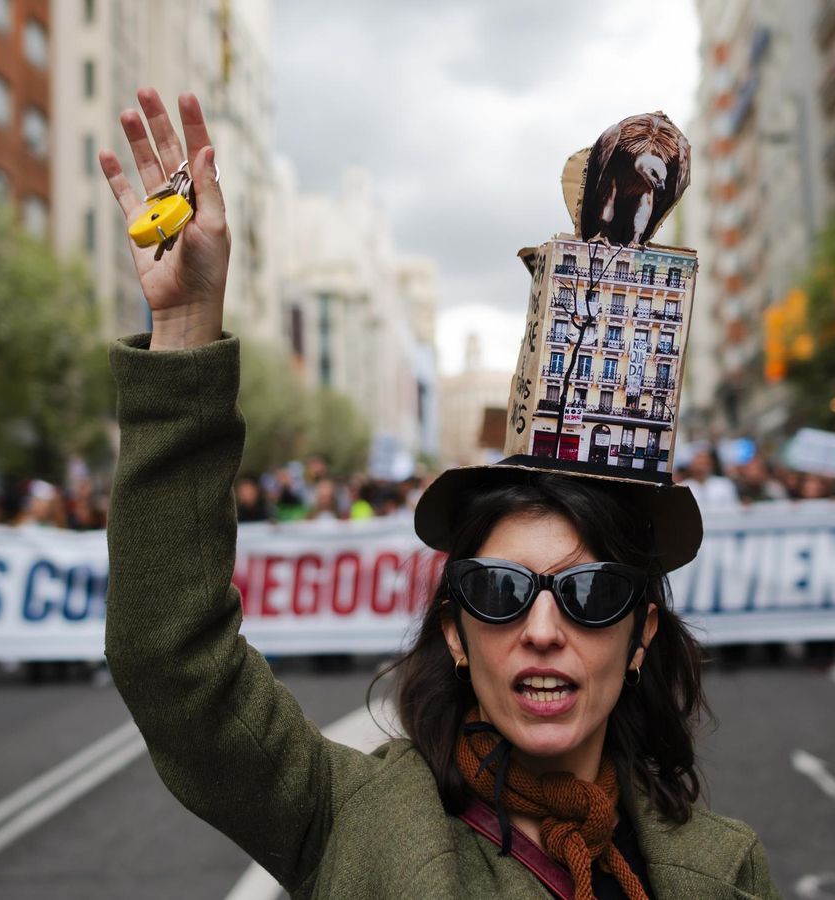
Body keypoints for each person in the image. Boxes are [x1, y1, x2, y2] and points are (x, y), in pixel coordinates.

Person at [100, 88, 779, 900]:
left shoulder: (721, 874)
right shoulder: (351, 820)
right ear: (455, 633)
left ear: (640, 638)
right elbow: (172, 663)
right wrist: (183, 330)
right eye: (498, 591)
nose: (541, 630)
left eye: (592, 595)